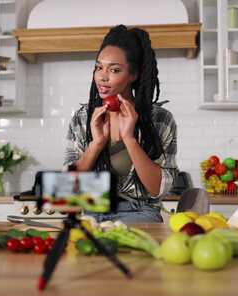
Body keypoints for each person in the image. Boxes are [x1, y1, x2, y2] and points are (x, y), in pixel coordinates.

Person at [64, 25, 178, 223]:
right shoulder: (82, 118)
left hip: (141, 213)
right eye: (99, 67)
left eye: (114, 70)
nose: (102, 76)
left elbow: (158, 189)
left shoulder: (160, 119)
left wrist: (129, 139)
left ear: (133, 75)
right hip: (92, 210)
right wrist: (96, 144)